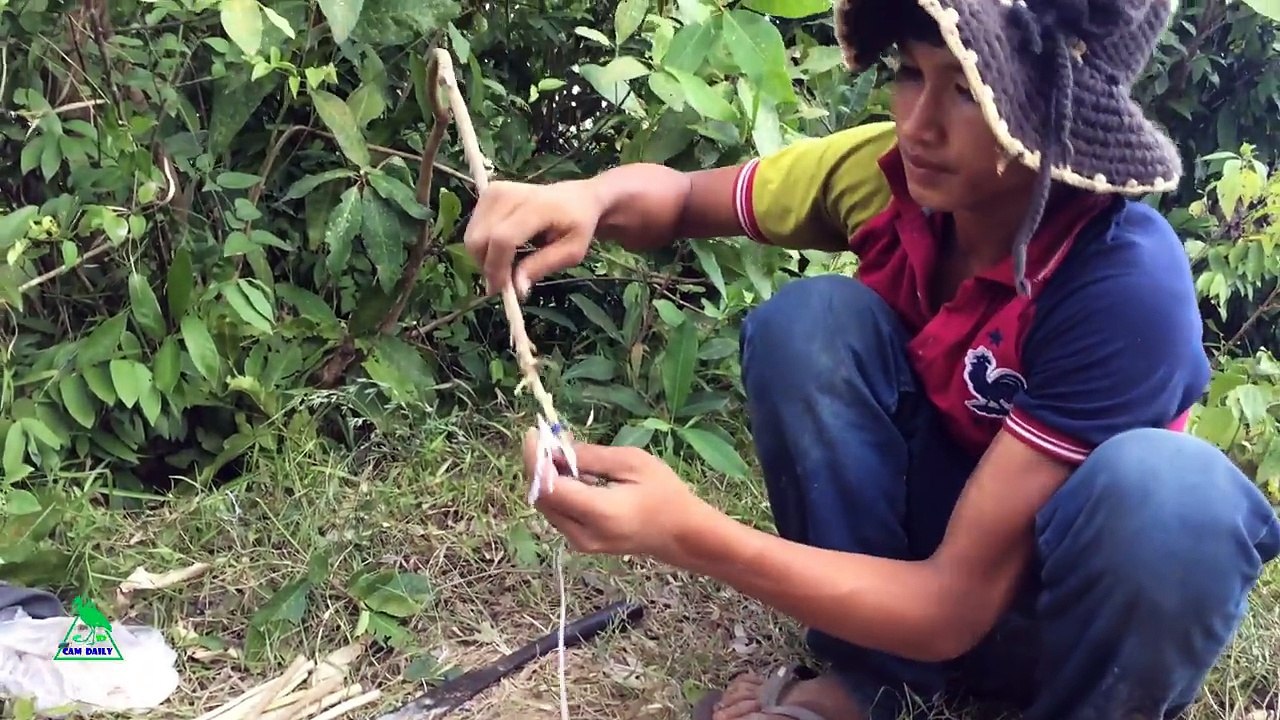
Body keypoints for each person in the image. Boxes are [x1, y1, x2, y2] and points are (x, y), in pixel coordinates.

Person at [463, 0, 1280, 718]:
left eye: (967, 90)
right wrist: (588, 197)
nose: (918, 124)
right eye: (909, 73)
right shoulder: (891, 175)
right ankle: (876, 686)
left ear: (1048, 122)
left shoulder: (1121, 280)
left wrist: (684, 534)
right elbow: (679, 199)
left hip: (1058, 613)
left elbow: (957, 602)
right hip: (916, 582)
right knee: (810, 322)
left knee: (1177, 496)